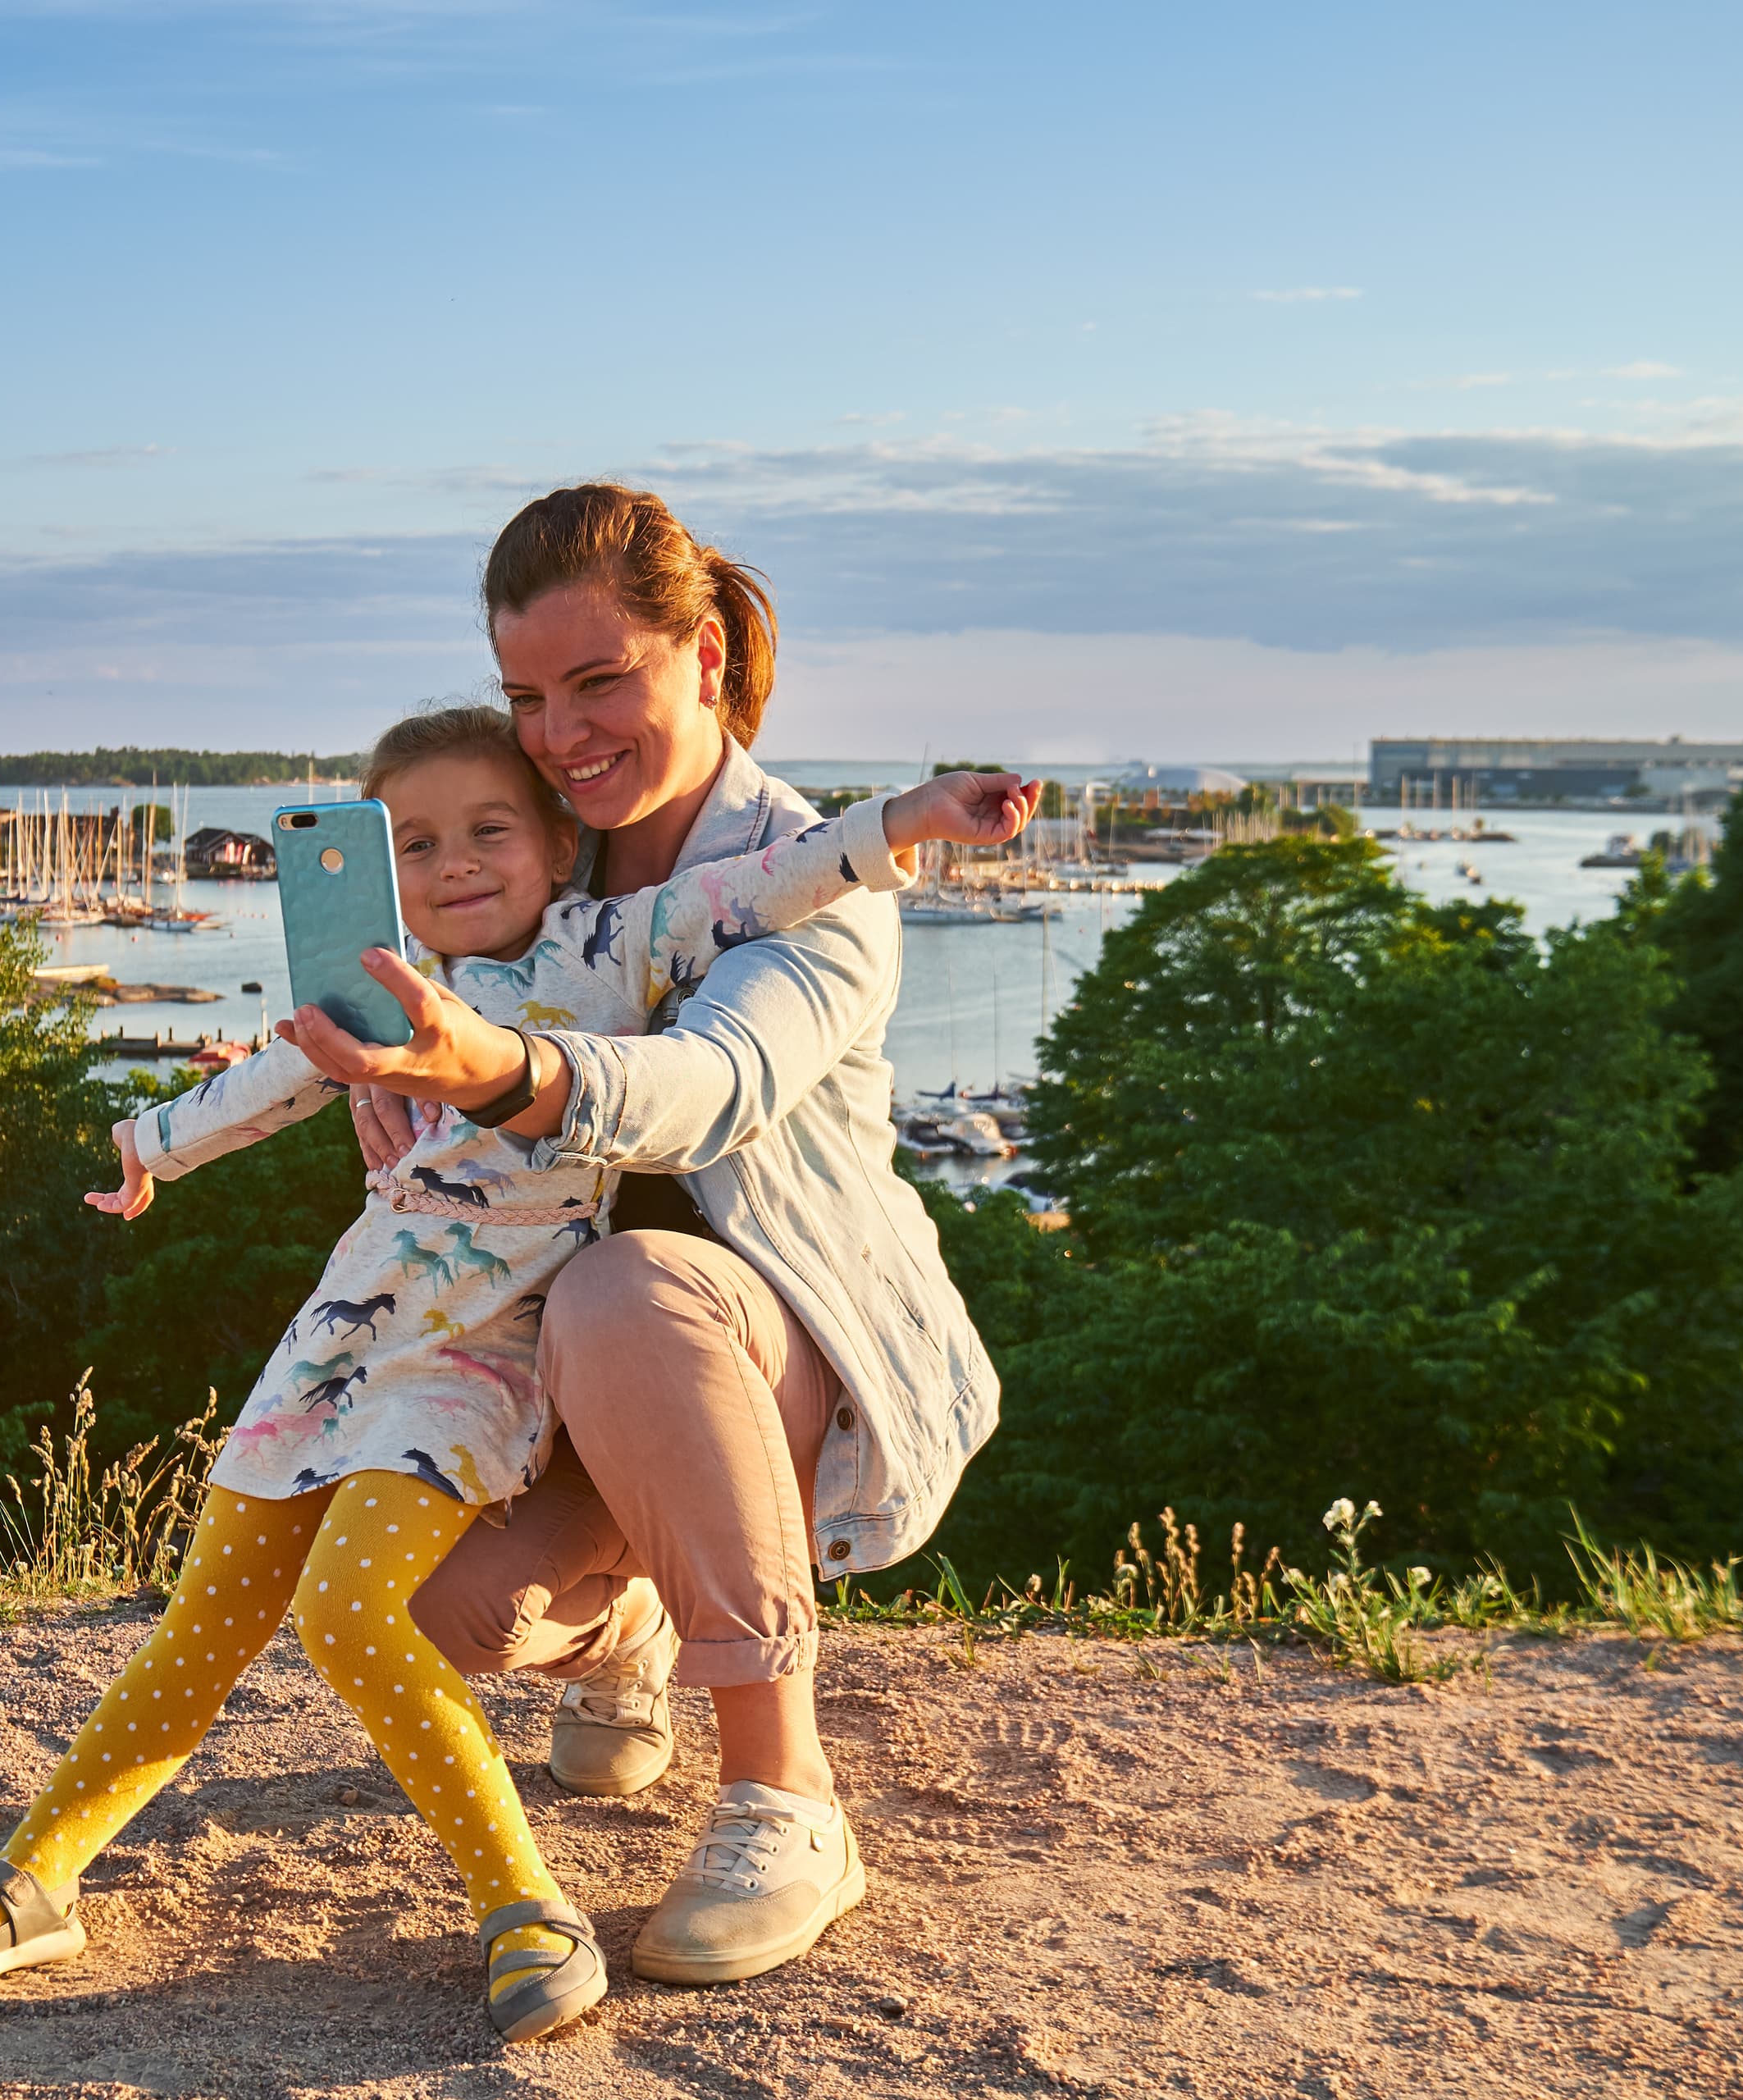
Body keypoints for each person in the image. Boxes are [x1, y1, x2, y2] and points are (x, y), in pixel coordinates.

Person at [0, 701, 1032, 2041]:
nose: (458, 862)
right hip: (341, 1345)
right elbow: (272, 1080)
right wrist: (149, 1144)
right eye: (416, 844)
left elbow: (762, 883)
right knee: (203, 1619)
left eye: (491, 829)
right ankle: (38, 1879)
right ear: (383, 875)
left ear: (555, 842)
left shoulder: (612, 944)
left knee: (353, 1616)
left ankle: (523, 1909)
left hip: (481, 1362)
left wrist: (910, 821)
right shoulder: (382, 990)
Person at [278, 483, 1008, 1991]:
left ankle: (787, 1796)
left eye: (600, 680)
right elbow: (442, 1038)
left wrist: (506, 1072)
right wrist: (402, 1077)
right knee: (422, 1594)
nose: (560, 731)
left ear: (710, 657)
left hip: (775, 1345)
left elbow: (711, 1087)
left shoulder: (813, 874)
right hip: (557, 1372)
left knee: (630, 1289)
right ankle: (634, 1639)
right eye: (528, 695)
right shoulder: (537, 849)